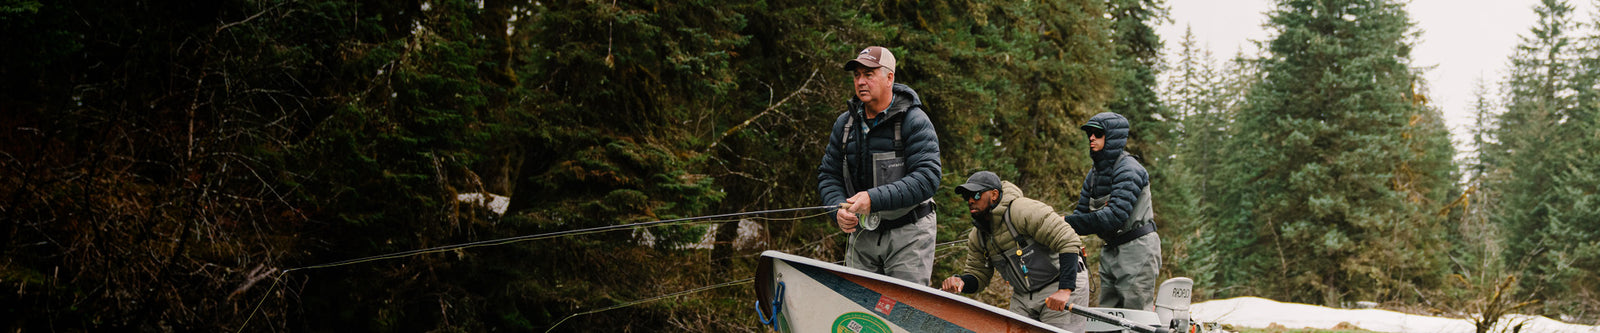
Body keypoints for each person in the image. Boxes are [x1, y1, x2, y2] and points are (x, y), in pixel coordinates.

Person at [816, 46, 941, 285]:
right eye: (857, 75)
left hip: (910, 232)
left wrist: (872, 199)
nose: (861, 81)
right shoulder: (844, 124)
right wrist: (837, 210)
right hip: (863, 233)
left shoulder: (914, 120)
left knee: (904, 312)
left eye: (869, 74)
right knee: (857, 312)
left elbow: (928, 178)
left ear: (889, 78)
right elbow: (828, 175)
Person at [940, 171, 1092, 331]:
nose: (970, 201)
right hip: (1023, 296)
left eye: (976, 195)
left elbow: (1068, 240)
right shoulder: (978, 236)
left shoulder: (1023, 210)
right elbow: (978, 275)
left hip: (1060, 285)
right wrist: (961, 282)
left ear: (994, 194)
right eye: (966, 197)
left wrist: (1065, 289)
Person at [1063, 112, 1161, 312]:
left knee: (1136, 318)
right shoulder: (1093, 175)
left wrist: (1066, 221)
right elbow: (1080, 215)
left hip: (1137, 250)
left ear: (1113, 136)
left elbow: (1114, 217)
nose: (1091, 137)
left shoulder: (1130, 169)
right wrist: (1054, 223)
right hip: (1110, 250)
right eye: (1089, 133)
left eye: (1098, 133)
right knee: (1107, 317)